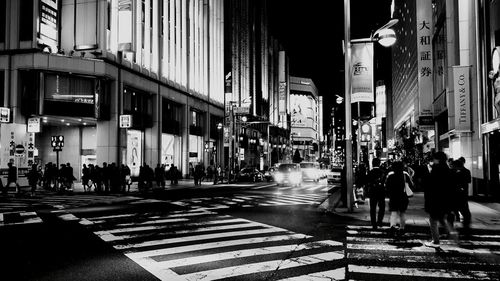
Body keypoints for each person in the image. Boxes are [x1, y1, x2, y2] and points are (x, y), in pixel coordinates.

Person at [425, 152, 457, 248]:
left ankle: (436, 241)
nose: (433, 160)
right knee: (441, 218)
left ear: (437, 159)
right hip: (445, 198)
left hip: (436, 198)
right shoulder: (447, 169)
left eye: (434, 158)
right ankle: (453, 234)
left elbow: (431, 185)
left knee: (433, 219)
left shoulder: (436, 169)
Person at [385, 161, 413, 236]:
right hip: (403, 196)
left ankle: (392, 226)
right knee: (402, 213)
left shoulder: (390, 175)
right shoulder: (405, 174)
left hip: (393, 196)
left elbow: (387, 186)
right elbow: (411, 184)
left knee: (393, 212)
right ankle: (402, 228)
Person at [452, 158, 472, 235]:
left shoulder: (462, 172)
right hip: (461, 194)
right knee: (464, 211)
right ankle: (465, 227)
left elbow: (467, 181)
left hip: (459, 194)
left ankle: (465, 227)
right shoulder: (466, 171)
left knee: (463, 211)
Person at [366, 158, 386, 229]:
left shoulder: (370, 172)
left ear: (372, 163)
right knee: (382, 207)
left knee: (373, 208)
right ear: (379, 163)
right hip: (381, 191)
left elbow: (367, 182)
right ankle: (379, 221)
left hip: (373, 191)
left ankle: (373, 223)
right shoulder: (382, 172)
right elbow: (385, 182)